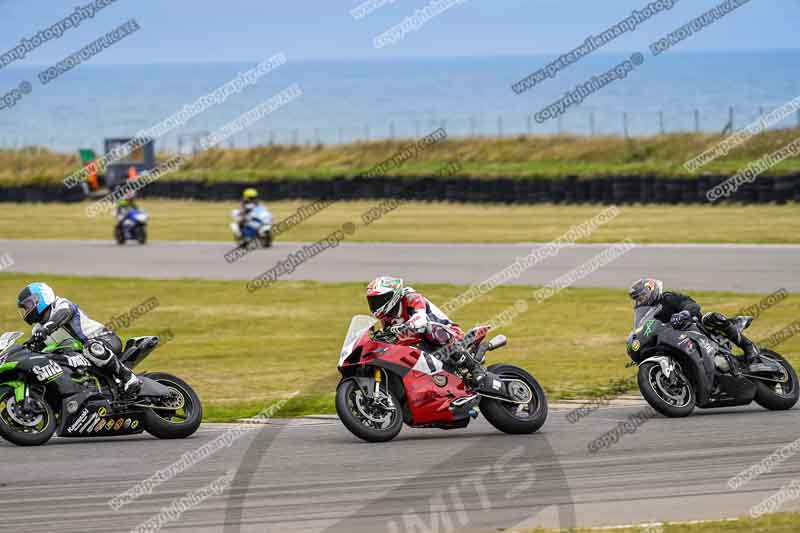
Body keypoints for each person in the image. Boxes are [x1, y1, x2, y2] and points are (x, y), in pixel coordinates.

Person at [16, 282, 141, 396]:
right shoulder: (37, 330)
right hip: (79, 356)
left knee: (90, 347)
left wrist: (45, 330)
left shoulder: (61, 304)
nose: (27, 311)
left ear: (41, 298)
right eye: (24, 308)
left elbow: (64, 314)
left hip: (104, 340)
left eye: (28, 305)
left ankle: (128, 377)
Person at [366, 276, 486, 385]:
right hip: (421, 342)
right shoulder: (387, 316)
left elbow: (421, 320)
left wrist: (400, 329)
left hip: (449, 333)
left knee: (431, 329)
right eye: (372, 301)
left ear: (392, 296)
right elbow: (390, 335)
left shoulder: (411, 297)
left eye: (379, 300)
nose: (375, 305)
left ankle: (474, 367)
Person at [628, 278, 760, 365]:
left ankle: (748, 346)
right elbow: (646, 327)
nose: (640, 301)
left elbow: (692, 305)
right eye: (637, 299)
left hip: (695, 327)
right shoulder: (648, 312)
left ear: (652, 291)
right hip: (676, 339)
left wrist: (684, 313)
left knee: (711, 317)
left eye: (642, 297)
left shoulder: (668, 298)